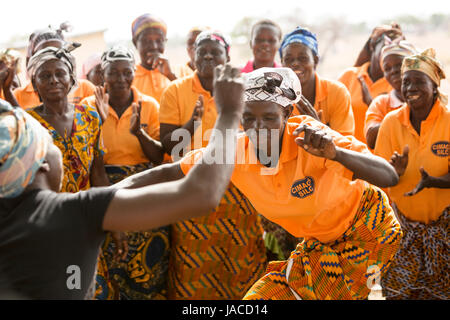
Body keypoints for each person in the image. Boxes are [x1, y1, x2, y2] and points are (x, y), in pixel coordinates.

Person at [0, 63, 245, 299]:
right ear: (41, 162)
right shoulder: (74, 211)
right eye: (50, 145)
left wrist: (184, 165)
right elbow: (202, 194)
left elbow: (138, 182)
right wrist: (230, 113)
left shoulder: (20, 216)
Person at [172, 67, 402, 300]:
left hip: (369, 232)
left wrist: (336, 154)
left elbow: (388, 176)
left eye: (269, 117)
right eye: (249, 117)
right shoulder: (233, 151)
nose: (258, 127)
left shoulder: (313, 139)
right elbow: (174, 170)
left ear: (288, 113)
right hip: (319, 246)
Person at [160, 30, 267, 300]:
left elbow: (258, 134)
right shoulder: (175, 90)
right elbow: (170, 146)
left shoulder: (244, 87)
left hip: (240, 188)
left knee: (242, 260)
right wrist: (192, 124)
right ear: (192, 56)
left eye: (215, 52)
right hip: (191, 187)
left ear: (228, 57)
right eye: (202, 51)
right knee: (191, 264)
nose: (208, 56)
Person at [81, 46, 168, 300]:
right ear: (101, 74)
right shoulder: (89, 106)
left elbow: (157, 157)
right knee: (112, 263)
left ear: (134, 74)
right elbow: (90, 162)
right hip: (103, 186)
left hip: (142, 187)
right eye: (113, 73)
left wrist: (139, 133)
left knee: (150, 265)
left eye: (126, 73)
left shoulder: (148, 105)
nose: (120, 79)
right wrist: (98, 121)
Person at [374, 48, 450, 300]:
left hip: (444, 230)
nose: (410, 87)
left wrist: (434, 182)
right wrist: (394, 172)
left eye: (419, 81)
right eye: (406, 82)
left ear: (434, 85)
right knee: (398, 294)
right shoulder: (391, 123)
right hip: (402, 230)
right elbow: (378, 180)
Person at [280, 27, 355, 136]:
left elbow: (347, 146)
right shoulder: (274, 97)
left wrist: (320, 130)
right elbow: (267, 151)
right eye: (288, 59)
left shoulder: (337, 92)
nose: (295, 63)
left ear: (315, 61)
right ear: (282, 63)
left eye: (303, 58)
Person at [338, 24, 404, 143]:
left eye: (396, 49)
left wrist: (372, 104)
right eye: (385, 47)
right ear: (373, 46)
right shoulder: (348, 76)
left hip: (379, 157)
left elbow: (400, 127)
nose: (389, 53)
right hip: (347, 154)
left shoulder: (398, 84)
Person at [13, 24, 95, 109]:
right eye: (46, 53)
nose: (52, 58)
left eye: (58, 53)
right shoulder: (17, 96)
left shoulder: (86, 89)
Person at [364, 40, 417, 149]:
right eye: (387, 68)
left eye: (399, 65)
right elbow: (371, 140)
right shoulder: (381, 103)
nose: (393, 71)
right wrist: (407, 111)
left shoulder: (430, 98)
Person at [131, 14, 175, 102]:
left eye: (159, 41)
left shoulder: (180, 73)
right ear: (135, 43)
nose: (154, 47)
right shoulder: (128, 78)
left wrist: (170, 76)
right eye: (147, 41)